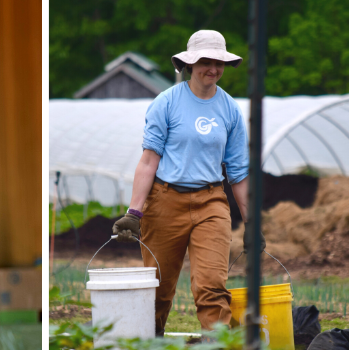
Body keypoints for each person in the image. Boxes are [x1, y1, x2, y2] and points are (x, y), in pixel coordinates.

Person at [111, 30, 264, 336]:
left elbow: (238, 171)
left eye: (219, 62)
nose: (213, 69)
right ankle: (147, 340)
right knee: (157, 289)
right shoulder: (166, 103)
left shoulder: (230, 109)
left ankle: (220, 343)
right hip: (165, 202)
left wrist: (251, 223)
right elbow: (149, 161)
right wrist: (134, 212)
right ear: (189, 64)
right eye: (206, 61)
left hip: (211, 202)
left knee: (211, 286)